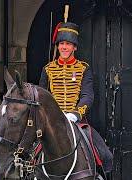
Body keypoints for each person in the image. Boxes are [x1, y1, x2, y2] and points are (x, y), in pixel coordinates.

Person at [39, 21, 113, 172]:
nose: (64, 47)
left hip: (76, 121)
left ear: (75, 47)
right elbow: (41, 96)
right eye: (61, 44)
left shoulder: (83, 68)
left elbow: (87, 95)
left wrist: (75, 114)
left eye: (68, 44)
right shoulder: (48, 69)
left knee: (105, 156)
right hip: (51, 122)